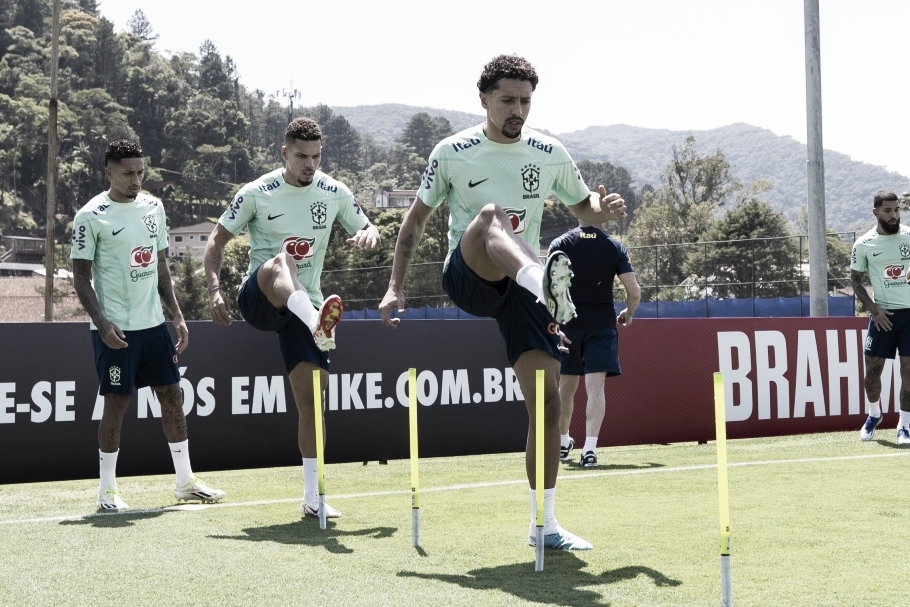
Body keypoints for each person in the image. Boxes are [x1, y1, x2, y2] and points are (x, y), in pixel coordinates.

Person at [379, 55, 626, 550]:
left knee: (549, 403)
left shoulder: (548, 151)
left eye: (526, 101)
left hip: (525, 290)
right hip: (471, 273)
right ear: (485, 99)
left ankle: (545, 526)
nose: (519, 110)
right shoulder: (453, 151)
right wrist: (394, 286)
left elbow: (584, 210)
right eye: (509, 100)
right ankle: (543, 284)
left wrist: (603, 209)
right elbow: (414, 223)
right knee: (493, 217)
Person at [204, 117, 380, 520]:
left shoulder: (334, 192)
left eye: (316, 156)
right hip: (261, 296)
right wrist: (214, 290)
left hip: (308, 305)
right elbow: (216, 241)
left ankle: (312, 497)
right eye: (302, 156)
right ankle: (317, 320)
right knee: (282, 260)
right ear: (284, 153)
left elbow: (367, 227)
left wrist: (370, 234)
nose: (310, 164)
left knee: (312, 401)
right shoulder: (257, 192)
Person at [72, 139, 225, 511]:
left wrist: (176, 314)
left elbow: (160, 268)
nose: (136, 179)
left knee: (172, 396)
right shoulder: (90, 216)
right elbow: (80, 277)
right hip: (116, 330)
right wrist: (102, 321)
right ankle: (106, 491)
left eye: (141, 172)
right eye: (128, 173)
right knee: (117, 403)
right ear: (108, 172)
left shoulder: (154, 208)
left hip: (153, 324)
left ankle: (186, 482)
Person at [549, 220, 641, 468]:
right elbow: (634, 292)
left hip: (568, 324)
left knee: (565, 388)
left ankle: (563, 441)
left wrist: (554, 324)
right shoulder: (615, 246)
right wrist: (629, 314)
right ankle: (589, 449)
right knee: (595, 388)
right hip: (601, 325)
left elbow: (550, 289)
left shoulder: (560, 243)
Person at [852, 189, 910, 444]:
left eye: (897, 209)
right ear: (875, 212)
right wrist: (874, 310)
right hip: (882, 315)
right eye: (888, 210)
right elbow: (854, 280)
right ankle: (874, 415)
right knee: (872, 371)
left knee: (908, 372)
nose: (894, 214)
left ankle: (904, 426)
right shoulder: (864, 244)